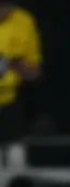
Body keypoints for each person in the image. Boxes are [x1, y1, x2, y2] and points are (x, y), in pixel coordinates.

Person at [0, 1, 41, 144]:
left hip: (11, 100)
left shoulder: (24, 21)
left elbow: (34, 72)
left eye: (5, 6)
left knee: (15, 149)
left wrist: (11, 63)